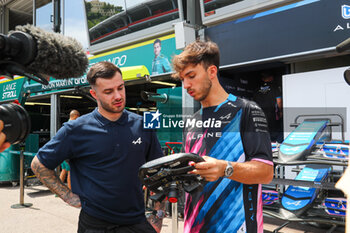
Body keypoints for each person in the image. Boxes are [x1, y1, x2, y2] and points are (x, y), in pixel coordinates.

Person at [31, 61, 164, 233]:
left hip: (137, 222)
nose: (117, 96)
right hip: (95, 225)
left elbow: (158, 173)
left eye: (120, 88)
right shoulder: (75, 129)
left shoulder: (142, 125)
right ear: (94, 94)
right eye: (108, 91)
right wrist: (68, 196)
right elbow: (38, 164)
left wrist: (158, 215)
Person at [172, 40, 274, 233]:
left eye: (191, 76)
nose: (185, 85)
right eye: (182, 79)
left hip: (237, 226)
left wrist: (224, 168)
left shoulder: (247, 110)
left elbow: (266, 172)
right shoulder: (191, 121)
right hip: (194, 227)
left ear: (211, 72)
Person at [253, 72, 283, 143]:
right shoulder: (275, 87)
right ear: (271, 77)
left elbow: (253, 102)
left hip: (259, 113)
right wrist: (281, 111)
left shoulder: (256, 89)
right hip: (272, 113)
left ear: (263, 79)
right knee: (274, 132)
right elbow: (279, 101)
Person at [59, 109, 80, 190]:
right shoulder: (72, 125)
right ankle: (71, 191)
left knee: (64, 170)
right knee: (70, 172)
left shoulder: (65, 125)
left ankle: (59, 191)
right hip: (68, 153)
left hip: (62, 152)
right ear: (75, 116)